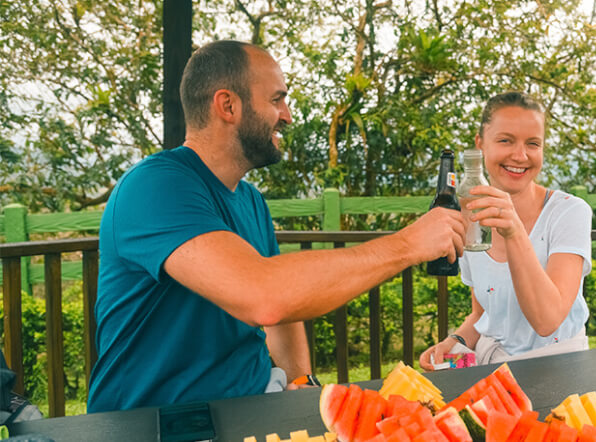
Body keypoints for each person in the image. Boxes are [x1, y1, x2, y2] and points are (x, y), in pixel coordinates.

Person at [87, 40, 465, 412]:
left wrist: (301, 382)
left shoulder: (250, 200)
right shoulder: (156, 186)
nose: (286, 115)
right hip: (155, 421)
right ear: (228, 105)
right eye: (276, 100)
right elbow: (264, 296)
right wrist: (408, 244)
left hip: (249, 406)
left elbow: (283, 312)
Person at [419, 92, 592, 370]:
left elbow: (548, 321)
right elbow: (482, 313)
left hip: (561, 369)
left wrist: (514, 231)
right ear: (480, 144)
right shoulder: (467, 216)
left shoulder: (569, 212)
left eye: (533, 144)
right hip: (492, 369)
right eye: (505, 140)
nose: (520, 155)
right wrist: (453, 341)